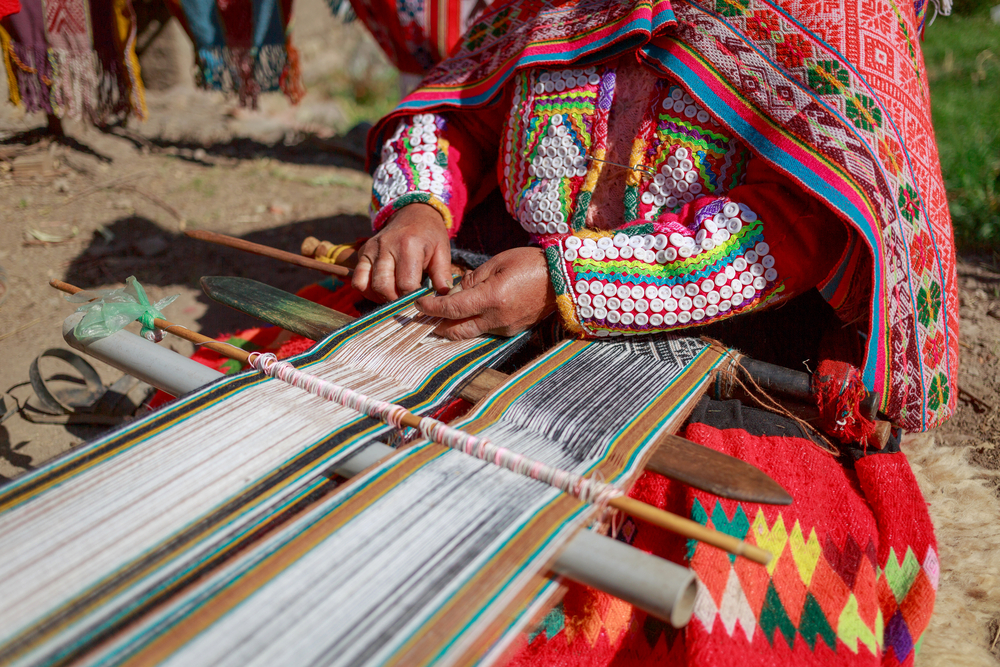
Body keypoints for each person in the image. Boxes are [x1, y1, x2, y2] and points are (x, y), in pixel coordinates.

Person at [348, 0, 958, 664]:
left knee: (752, 600)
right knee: (337, 457)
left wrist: (565, 280)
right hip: (508, 313)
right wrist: (418, 204)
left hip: (720, 347)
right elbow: (461, 106)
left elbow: (800, 219)